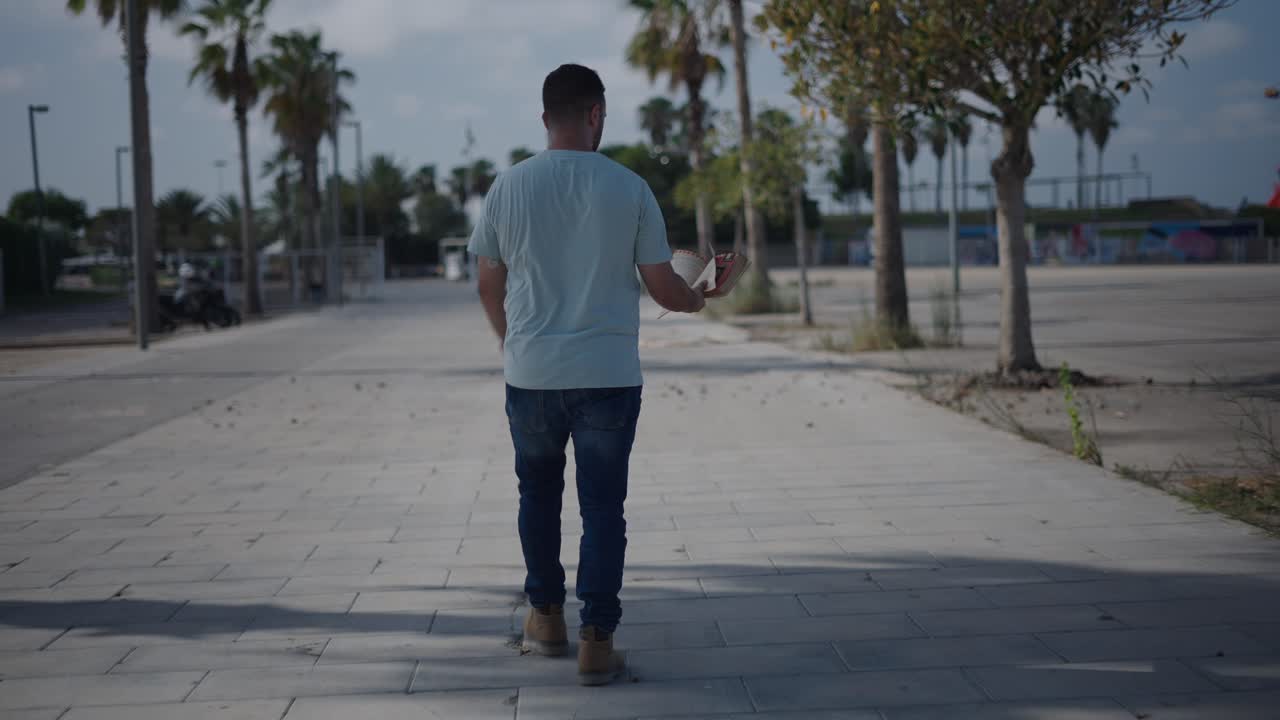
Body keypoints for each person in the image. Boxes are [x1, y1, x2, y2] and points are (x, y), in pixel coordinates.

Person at [468, 63, 705, 686]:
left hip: (532, 374)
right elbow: (664, 287)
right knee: (603, 508)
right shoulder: (630, 188)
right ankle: (597, 641)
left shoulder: (506, 186)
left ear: (546, 117)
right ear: (596, 114)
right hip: (608, 375)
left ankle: (545, 618)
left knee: (537, 495)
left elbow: (488, 284)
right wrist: (703, 295)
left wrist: (510, 345)